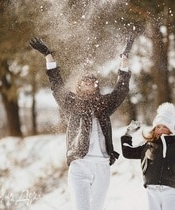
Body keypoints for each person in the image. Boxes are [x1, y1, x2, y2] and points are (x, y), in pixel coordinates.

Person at [29, 37, 131, 210]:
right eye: (85, 81)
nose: (89, 83)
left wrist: (124, 61)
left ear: (97, 86)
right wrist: (48, 55)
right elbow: (56, 84)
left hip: (102, 166)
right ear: (79, 85)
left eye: (92, 81)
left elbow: (121, 89)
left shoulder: (104, 105)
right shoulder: (71, 103)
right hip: (79, 164)